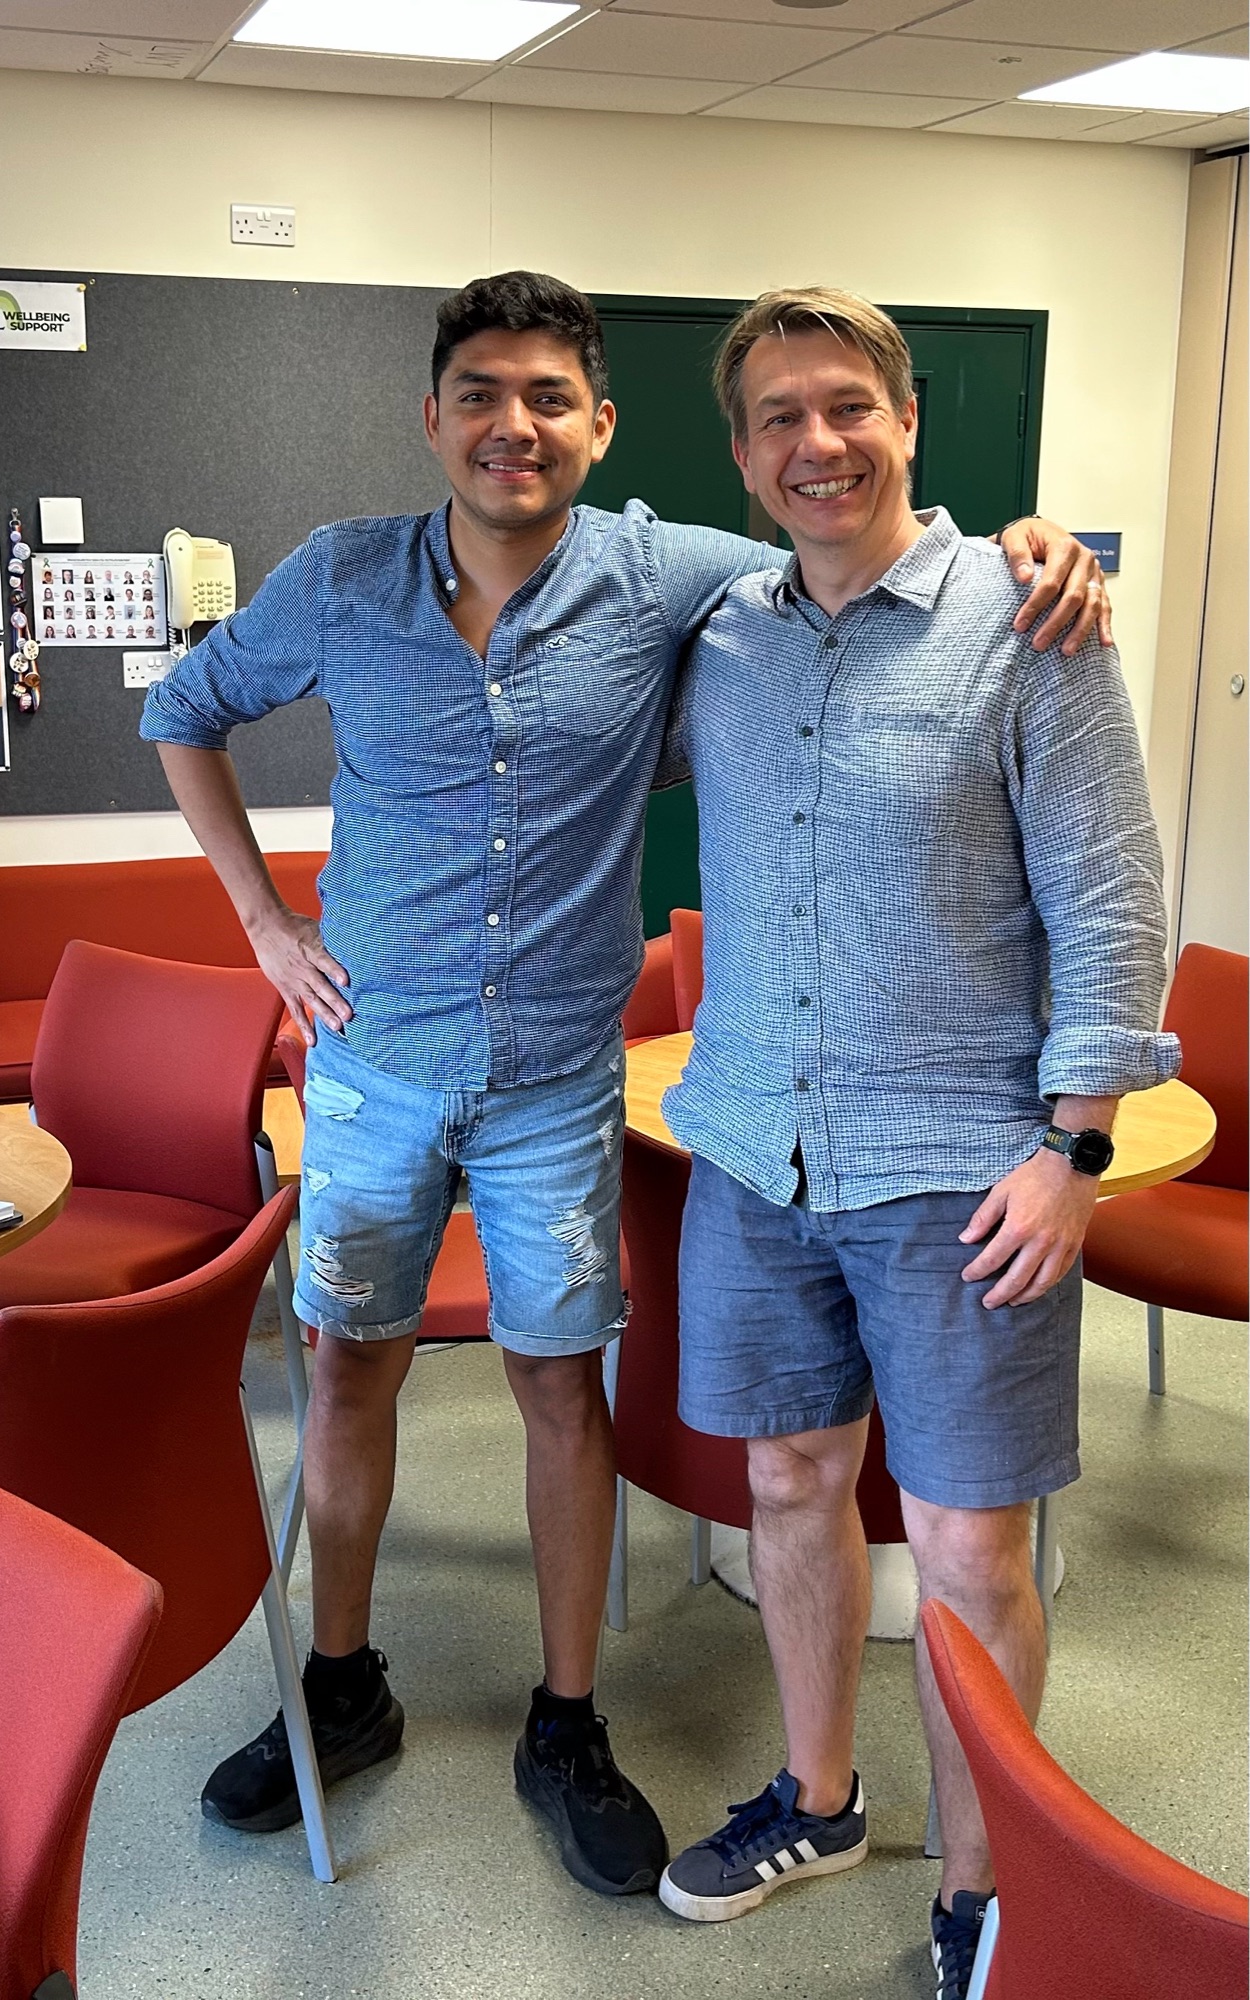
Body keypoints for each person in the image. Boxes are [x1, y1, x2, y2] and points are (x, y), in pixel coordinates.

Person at [139, 270, 1105, 1900]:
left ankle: (567, 1721)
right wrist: (264, 926)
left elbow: (856, 547)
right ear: (431, 418)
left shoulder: (677, 577)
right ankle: (342, 1682)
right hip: (372, 1067)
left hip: (554, 1079)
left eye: (545, 397)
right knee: (351, 1372)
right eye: (477, 394)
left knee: (553, 1390)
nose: (509, 426)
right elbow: (184, 711)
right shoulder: (342, 577)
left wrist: (1031, 543)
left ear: (598, 423)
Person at [651, 288, 1177, 1997]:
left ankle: (983, 1883)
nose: (816, 444)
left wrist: (1073, 1154)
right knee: (788, 1482)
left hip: (965, 1173)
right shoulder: (718, 636)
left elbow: (1110, 906)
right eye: (778, 419)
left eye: (846, 407)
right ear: (741, 458)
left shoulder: (1029, 623)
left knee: (962, 1546)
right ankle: (817, 1801)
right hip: (754, 1153)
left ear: (905, 421)